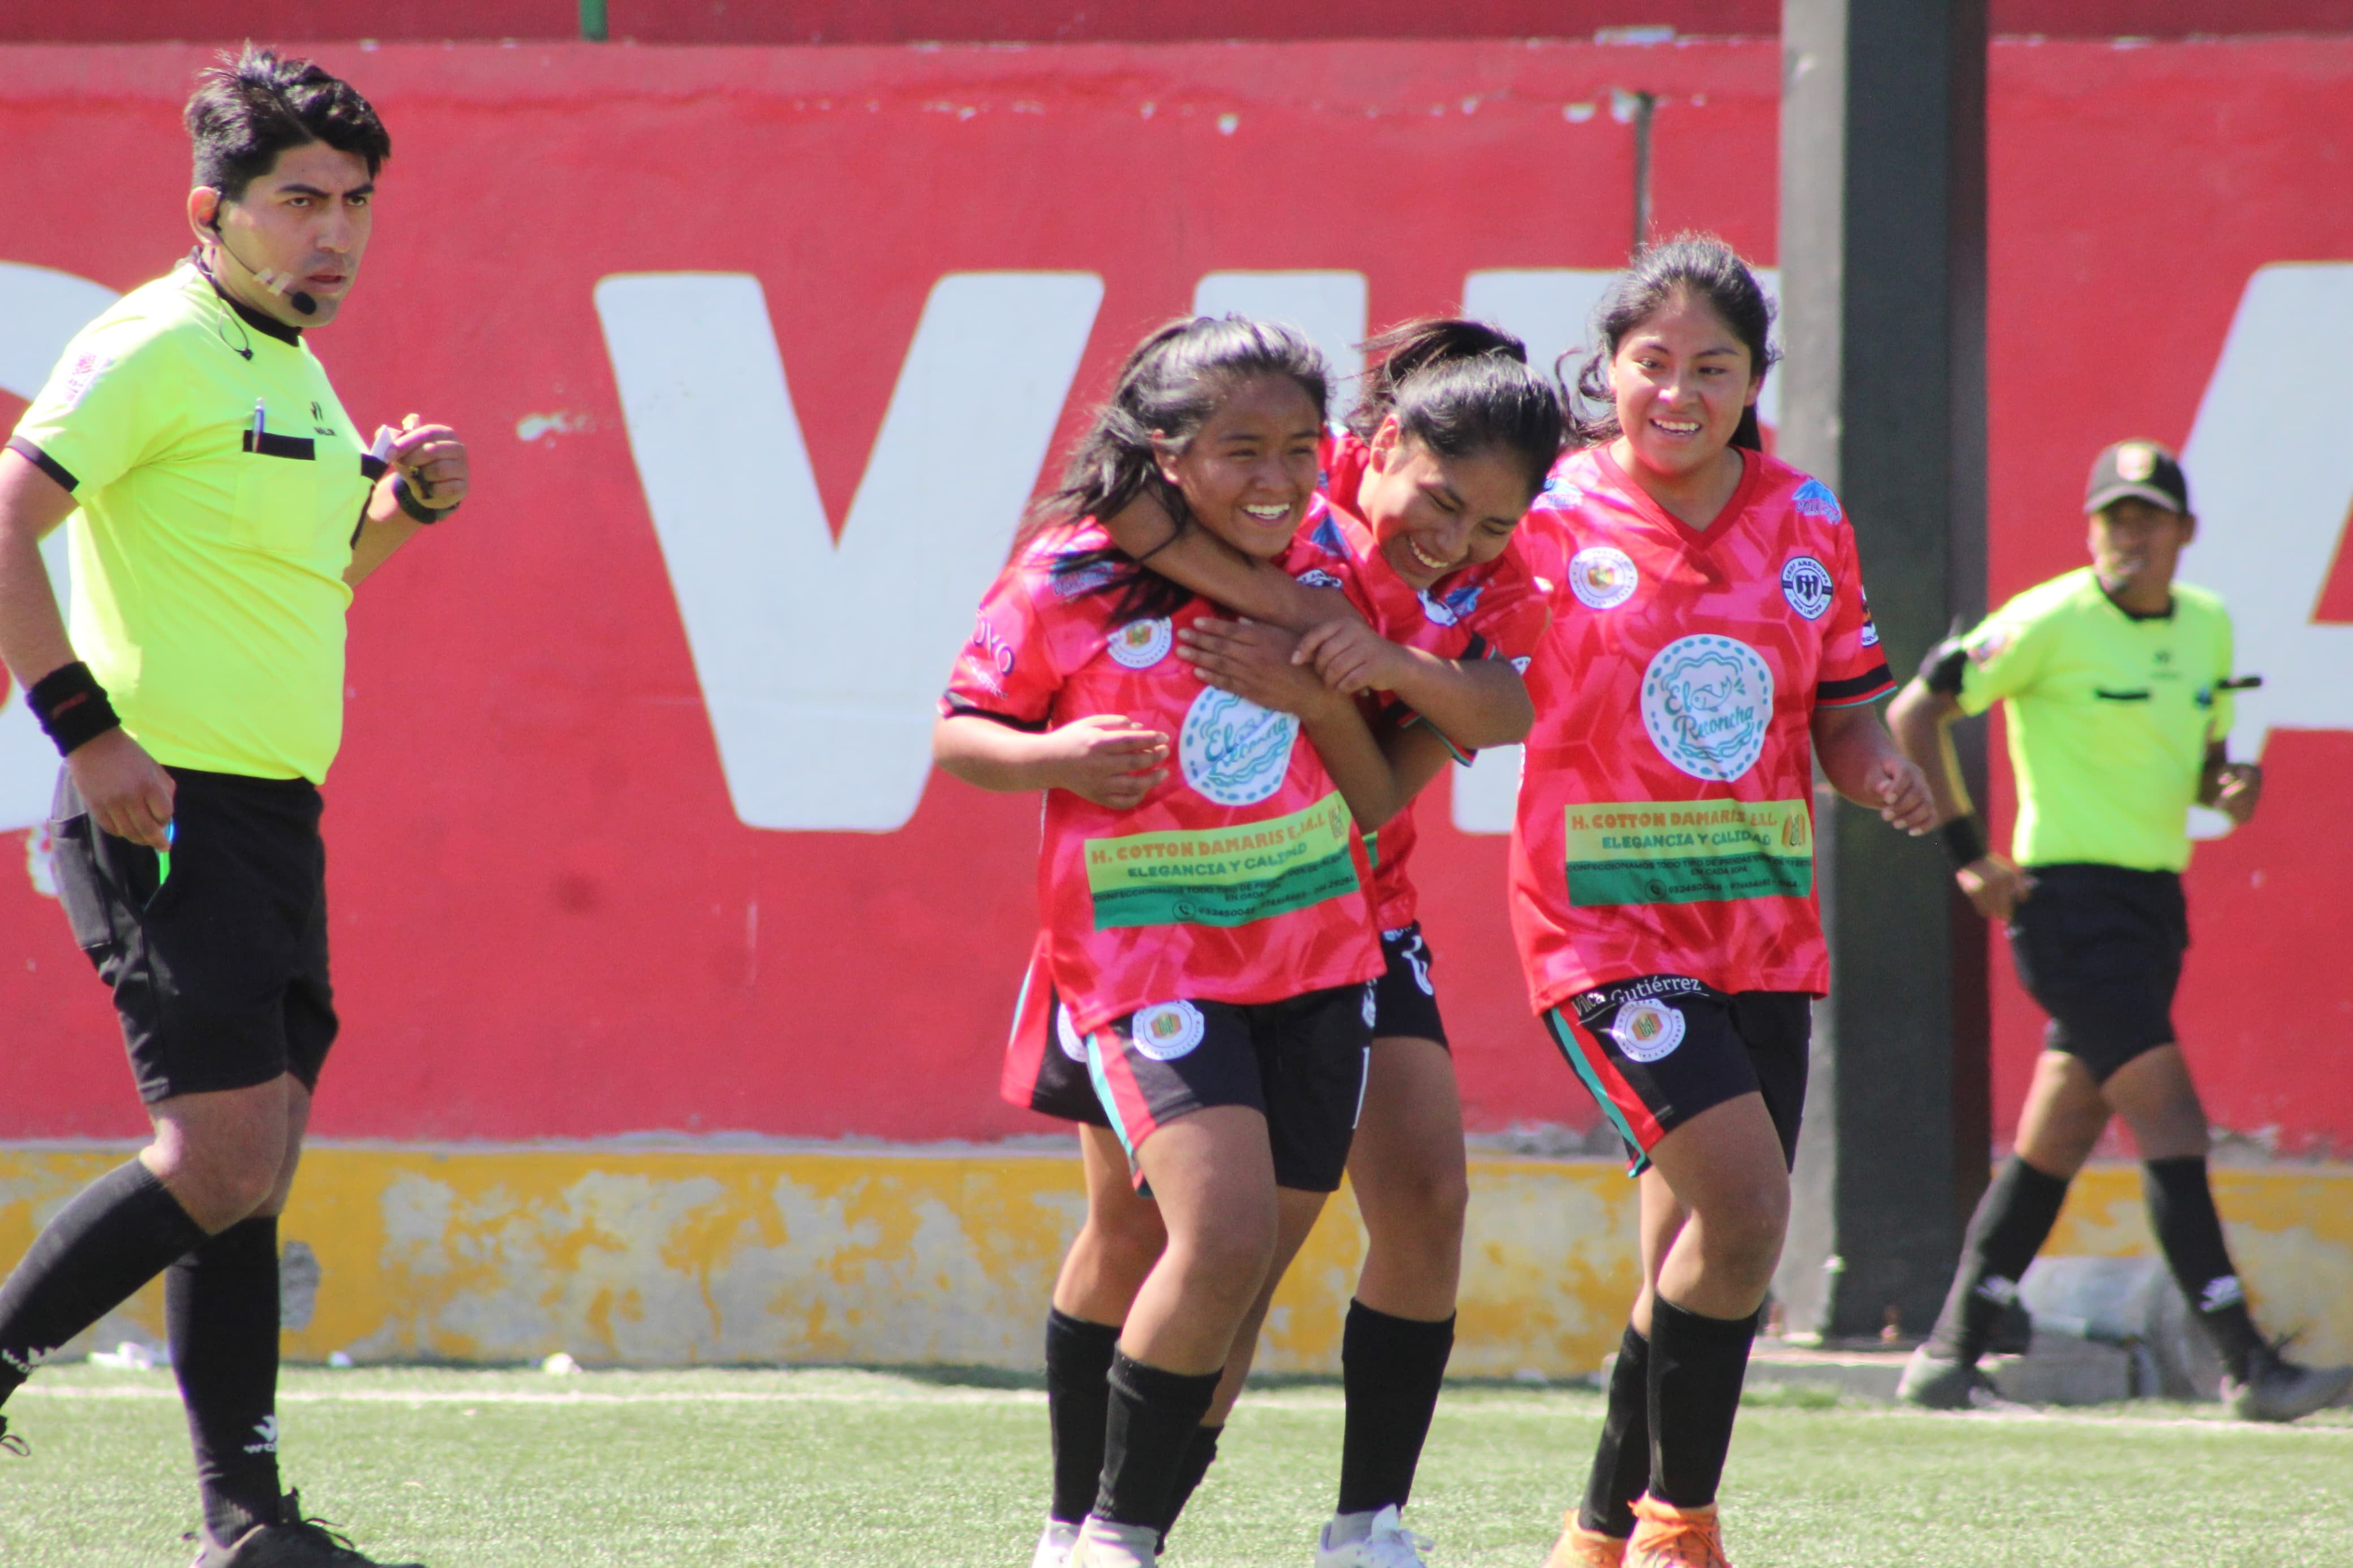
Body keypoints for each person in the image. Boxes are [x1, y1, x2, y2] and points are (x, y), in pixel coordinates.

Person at [0, 46, 466, 1568]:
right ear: (212, 209)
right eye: (299, 201)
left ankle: (245, 1522)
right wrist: (87, 735)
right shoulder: (152, 342)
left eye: (355, 203)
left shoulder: (294, 365)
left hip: (270, 816)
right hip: (160, 805)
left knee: (249, 1177)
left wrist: (398, 508)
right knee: (217, 1160)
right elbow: (8, 519)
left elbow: (314, 576)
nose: (334, 233)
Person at [1024, 320, 1563, 1568]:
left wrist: (1343, 679)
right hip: (1170, 912)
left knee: (1414, 1200)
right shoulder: (1289, 492)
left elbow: (1432, 758)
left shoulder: (1497, 588)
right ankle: (1083, 1527)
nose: (1456, 541)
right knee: (1152, 1238)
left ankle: (1360, 1525)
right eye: (1441, 501)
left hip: (1356, 914)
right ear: (1382, 445)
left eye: (1492, 522)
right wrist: (1304, 611)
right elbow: (1135, 514)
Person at [933, 316, 1398, 1568]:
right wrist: (1054, 756)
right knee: (1214, 1235)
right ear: (1166, 454)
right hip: (1148, 962)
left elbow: (1382, 765)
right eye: (1242, 449)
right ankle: (1098, 1539)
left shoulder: (1329, 557)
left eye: (1299, 447)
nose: (1278, 477)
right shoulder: (1068, 575)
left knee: (1232, 1268)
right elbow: (960, 731)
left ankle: (1111, 1529)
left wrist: (1322, 692)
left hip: (1315, 957)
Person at [1505, 236, 1933, 1568]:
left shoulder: (1806, 518)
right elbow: (1456, 666)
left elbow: (1843, 718)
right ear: (1608, 369)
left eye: (1712, 366)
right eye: (1653, 363)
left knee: (1695, 1253)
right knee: (1747, 1219)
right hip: (1603, 928)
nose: (1678, 392)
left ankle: (1594, 1534)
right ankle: (1678, 1528)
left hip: (1760, 932)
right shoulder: (1547, 512)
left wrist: (1879, 771)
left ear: (1753, 380)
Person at [1889, 440, 2353, 1422]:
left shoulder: (2208, 625)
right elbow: (1913, 713)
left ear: (2187, 531)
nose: (2128, 534)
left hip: (2151, 910)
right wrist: (1968, 852)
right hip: (2066, 909)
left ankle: (1948, 1353)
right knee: (2173, 1120)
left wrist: (2229, 786)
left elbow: (2208, 767)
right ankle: (2248, 1365)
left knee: (2058, 1135)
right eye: (2113, 517)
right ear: (2090, 529)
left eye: (2148, 516)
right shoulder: (2048, 620)